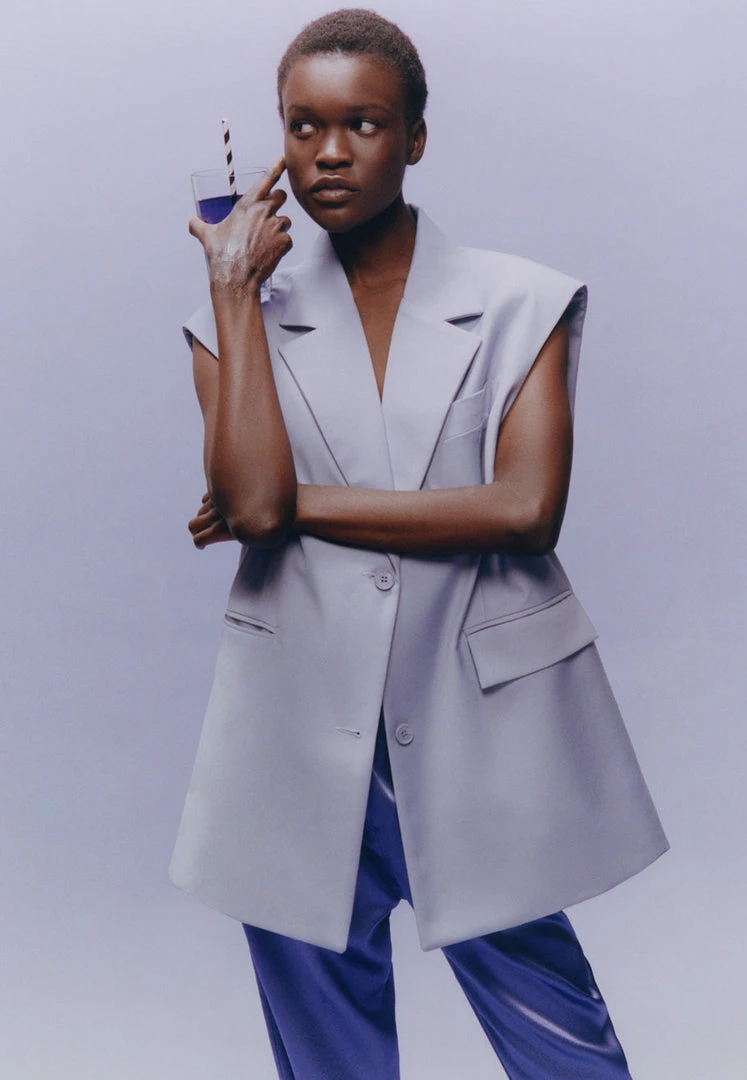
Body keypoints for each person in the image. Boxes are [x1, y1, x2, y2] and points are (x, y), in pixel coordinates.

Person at [171, 9, 669, 1078]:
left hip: (477, 729)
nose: (329, 152)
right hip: (297, 738)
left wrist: (296, 501)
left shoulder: (521, 301)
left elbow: (524, 510)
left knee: (564, 1045)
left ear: (416, 137)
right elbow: (251, 508)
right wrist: (233, 286)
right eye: (303, 126)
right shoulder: (233, 321)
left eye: (363, 123)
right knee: (328, 1057)